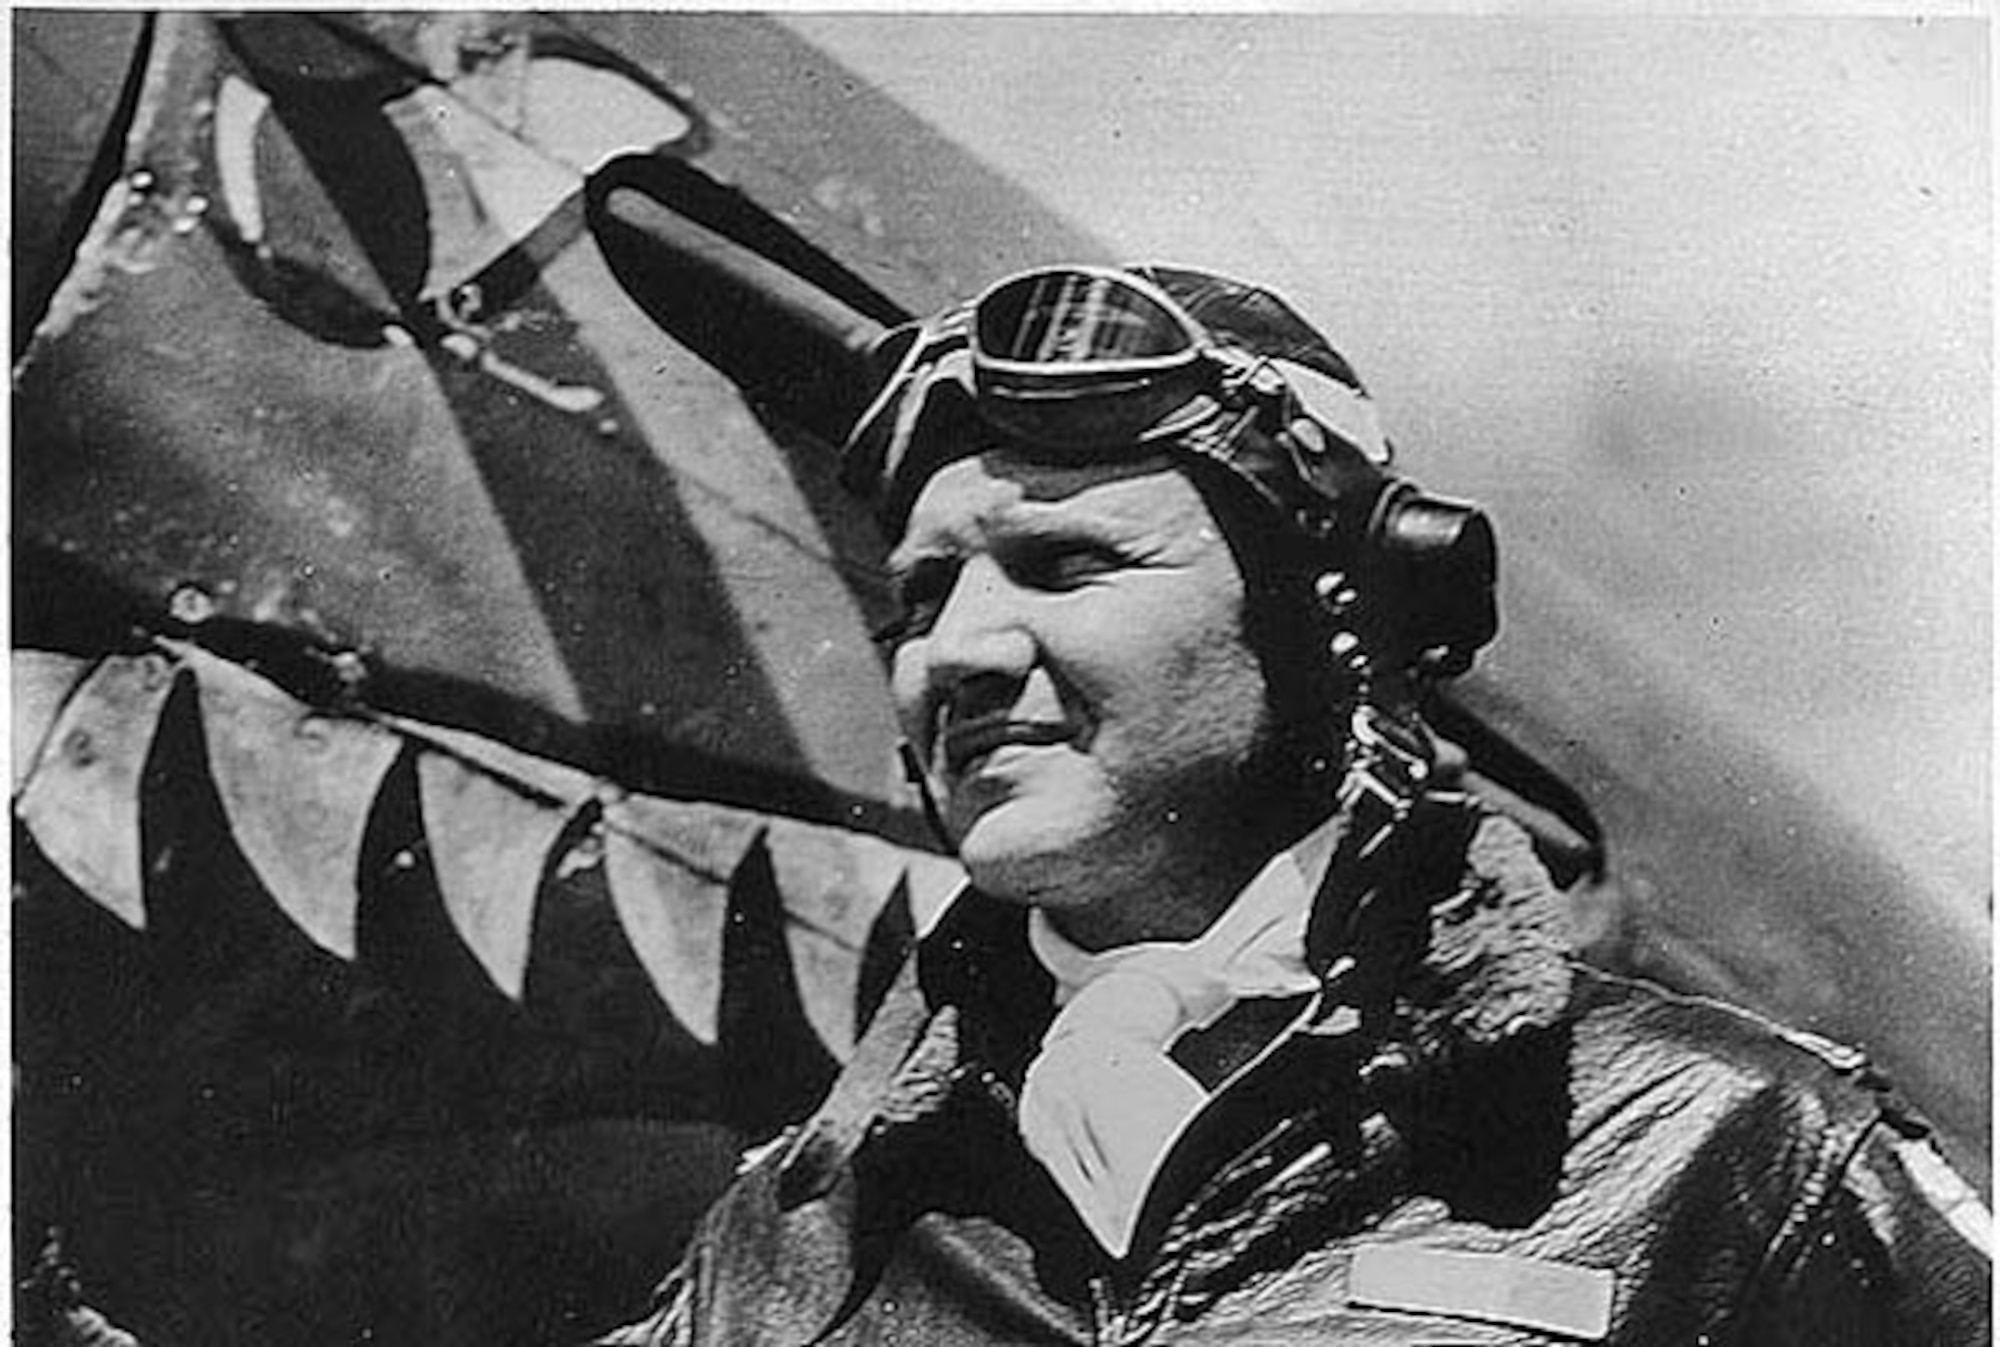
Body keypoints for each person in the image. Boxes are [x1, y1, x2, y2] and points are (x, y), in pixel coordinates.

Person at [602, 264, 1990, 1344]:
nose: (953, 651)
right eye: (921, 595)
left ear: (1334, 621)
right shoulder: (790, 1241)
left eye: (1066, 563)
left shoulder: (1732, 1149)